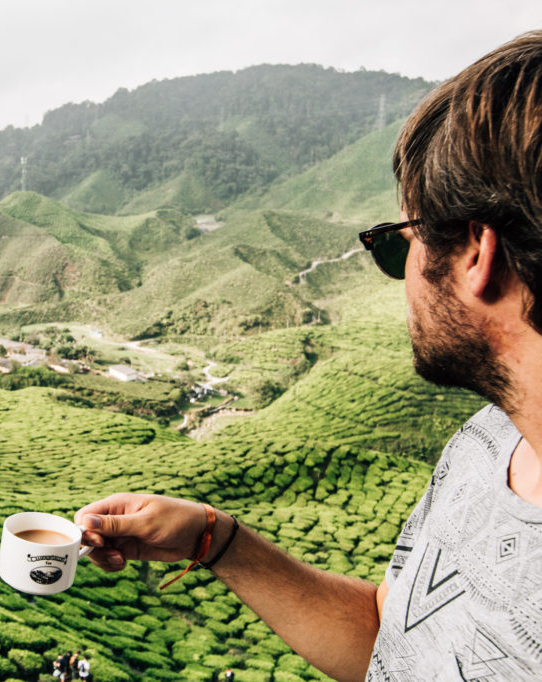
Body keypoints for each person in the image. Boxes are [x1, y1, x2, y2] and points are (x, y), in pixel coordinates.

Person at [75, 30, 542, 682]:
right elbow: (391, 637)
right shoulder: (490, 441)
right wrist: (216, 541)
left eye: (395, 242)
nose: (400, 274)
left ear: (475, 256)